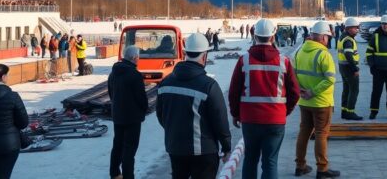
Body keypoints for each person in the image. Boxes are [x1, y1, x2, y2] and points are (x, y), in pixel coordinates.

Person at [228, 19, 300, 179]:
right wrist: (284, 112)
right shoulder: (284, 61)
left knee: (250, 160)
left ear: (254, 36)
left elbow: (233, 92)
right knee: (270, 162)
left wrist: (235, 114)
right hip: (275, 121)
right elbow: (295, 92)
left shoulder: (244, 60)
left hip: (250, 120)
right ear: (273, 37)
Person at [157, 33, 232, 179]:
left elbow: (162, 115)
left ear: (185, 53)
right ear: (204, 56)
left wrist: (175, 132)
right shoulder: (209, 86)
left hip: (175, 149)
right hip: (204, 152)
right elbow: (220, 121)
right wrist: (226, 146)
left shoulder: (165, 83)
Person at [293, 21, 339, 178]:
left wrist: (301, 91)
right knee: (321, 133)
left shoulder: (300, 51)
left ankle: (300, 166)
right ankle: (322, 168)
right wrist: (313, 92)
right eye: (328, 37)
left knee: (304, 132)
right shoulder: (324, 54)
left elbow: (293, 75)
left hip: (304, 102)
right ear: (323, 37)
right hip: (321, 102)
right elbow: (330, 79)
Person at [108, 45, 148, 179]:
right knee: (129, 149)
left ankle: (114, 173)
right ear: (134, 58)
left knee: (117, 144)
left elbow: (111, 93)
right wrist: (143, 110)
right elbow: (141, 98)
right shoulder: (135, 75)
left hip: (118, 116)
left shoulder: (113, 72)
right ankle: (128, 176)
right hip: (132, 118)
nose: (139, 59)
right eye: (138, 57)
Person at [337, 17, 362, 120]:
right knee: (354, 90)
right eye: (355, 28)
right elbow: (348, 55)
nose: (357, 30)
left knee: (346, 90)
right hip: (349, 68)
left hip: (343, 67)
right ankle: (350, 112)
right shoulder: (348, 40)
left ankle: (344, 111)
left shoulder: (342, 37)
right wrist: (355, 69)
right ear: (349, 28)